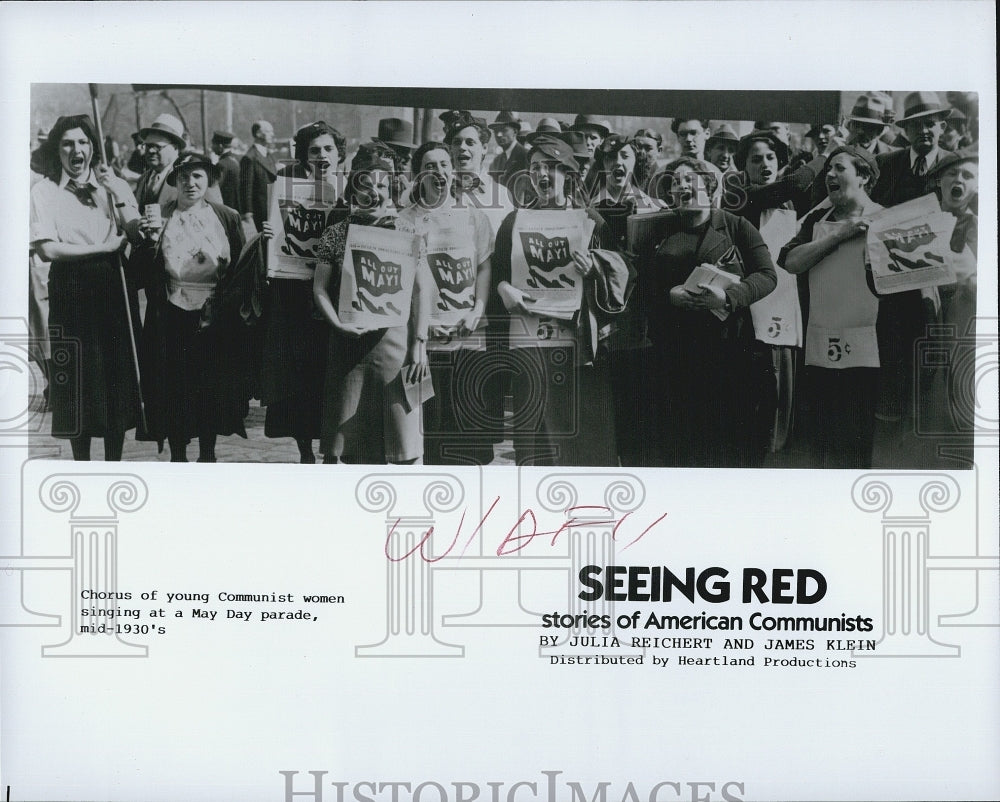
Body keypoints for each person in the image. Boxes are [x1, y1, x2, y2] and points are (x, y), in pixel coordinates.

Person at [487, 135, 632, 466]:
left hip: (577, 352)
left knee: (580, 439)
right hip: (528, 348)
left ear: (569, 174)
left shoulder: (590, 220)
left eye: (552, 167)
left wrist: (595, 266)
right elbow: (496, 273)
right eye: (536, 167)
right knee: (534, 441)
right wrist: (503, 290)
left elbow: (622, 274)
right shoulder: (514, 221)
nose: (542, 175)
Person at [637, 156, 777, 468]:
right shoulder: (659, 231)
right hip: (674, 355)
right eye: (675, 183)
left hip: (728, 352)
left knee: (725, 440)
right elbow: (642, 285)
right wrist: (668, 296)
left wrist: (728, 297)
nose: (681, 186)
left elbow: (767, 276)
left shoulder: (736, 226)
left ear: (709, 187)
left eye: (690, 180)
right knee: (680, 443)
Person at [28, 114, 142, 461]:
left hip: (113, 284)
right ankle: (81, 463)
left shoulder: (113, 186)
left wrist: (118, 191)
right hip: (71, 286)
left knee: (113, 373)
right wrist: (101, 248)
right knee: (78, 377)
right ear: (56, 150)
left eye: (82, 142)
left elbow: (136, 233)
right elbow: (47, 248)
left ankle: (113, 460)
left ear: (93, 147)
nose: (76, 150)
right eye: (67, 144)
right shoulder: (45, 191)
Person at [312, 144, 430, 465]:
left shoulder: (407, 231)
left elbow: (422, 291)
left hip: (398, 347)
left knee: (404, 447)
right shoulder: (337, 233)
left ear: (391, 189)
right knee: (349, 448)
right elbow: (320, 288)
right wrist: (337, 324)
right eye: (366, 184)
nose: (374, 192)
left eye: (381, 185)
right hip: (349, 348)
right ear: (354, 188)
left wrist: (419, 343)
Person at [132, 152, 250, 462]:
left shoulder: (226, 217)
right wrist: (148, 240)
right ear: (175, 182)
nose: (190, 182)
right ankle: (178, 455)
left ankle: (208, 453)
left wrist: (223, 305)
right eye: (183, 176)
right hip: (170, 312)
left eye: (197, 175)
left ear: (209, 180)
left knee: (209, 386)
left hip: (214, 313)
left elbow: (239, 267)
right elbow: (140, 274)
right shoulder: (161, 215)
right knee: (173, 387)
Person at [779, 146, 884, 468]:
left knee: (857, 439)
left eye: (839, 169)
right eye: (828, 170)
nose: (830, 175)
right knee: (821, 438)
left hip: (871, 349)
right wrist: (839, 235)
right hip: (821, 344)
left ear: (863, 177)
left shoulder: (887, 219)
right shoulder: (816, 220)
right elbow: (791, 261)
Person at [396, 141, 495, 465]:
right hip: (425, 344)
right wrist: (421, 328)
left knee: (470, 437)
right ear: (417, 175)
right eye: (430, 166)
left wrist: (477, 311)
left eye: (444, 164)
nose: (439, 172)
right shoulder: (404, 220)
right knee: (433, 434)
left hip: (469, 337)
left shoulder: (472, 217)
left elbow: (483, 266)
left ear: (453, 171)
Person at [260, 121, 348, 464]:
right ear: (304, 157)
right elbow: (277, 245)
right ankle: (305, 452)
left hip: (336, 294)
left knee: (332, 377)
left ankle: (332, 451)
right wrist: (269, 233)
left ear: (340, 154)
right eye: (314, 150)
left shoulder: (352, 191)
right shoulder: (288, 190)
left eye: (328, 149)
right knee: (297, 378)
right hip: (294, 294)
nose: (322, 156)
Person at [871, 92, 955, 422]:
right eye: (917, 126)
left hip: (940, 273)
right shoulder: (887, 164)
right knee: (891, 337)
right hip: (892, 271)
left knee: (931, 338)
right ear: (906, 130)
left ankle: (926, 412)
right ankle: (891, 406)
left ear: (942, 127)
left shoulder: (955, 165)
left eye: (931, 125)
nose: (924, 132)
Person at [584, 134, 663, 465]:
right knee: (602, 408)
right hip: (598, 316)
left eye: (625, 156)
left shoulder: (652, 209)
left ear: (635, 162)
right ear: (602, 165)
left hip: (637, 316)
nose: (618, 163)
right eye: (611, 157)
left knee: (635, 409)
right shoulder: (587, 211)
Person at [239, 119, 277, 233]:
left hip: (272, 204)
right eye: (269, 131)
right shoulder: (249, 157)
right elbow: (246, 186)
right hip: (260, 208)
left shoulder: (268, 154)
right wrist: (247, 212)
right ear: (258, 134)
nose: (272, 134)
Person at [487, 111, 527, 188]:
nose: (499, 135)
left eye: (504, 130)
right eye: (496, 131)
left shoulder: (526, 156)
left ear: (515, 132)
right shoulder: (496, 161)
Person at [567, 114, 611, 182]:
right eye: (583, 137)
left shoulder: (607, 168)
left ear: (601, 140)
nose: (588, 142)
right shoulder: (566, 165)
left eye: (593, 138)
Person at [211, 130, 240, 210]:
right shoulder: (235, 160)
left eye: (213, 144)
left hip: (226, 208)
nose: (212, 148)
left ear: (220, 146)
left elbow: (215, 190)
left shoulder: (222, 164)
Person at [632, 127, 664, 193]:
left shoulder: (665, 180)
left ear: (659, 151)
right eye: (638, 147)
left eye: (648, 148)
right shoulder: (626, 176)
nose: (641, 152)